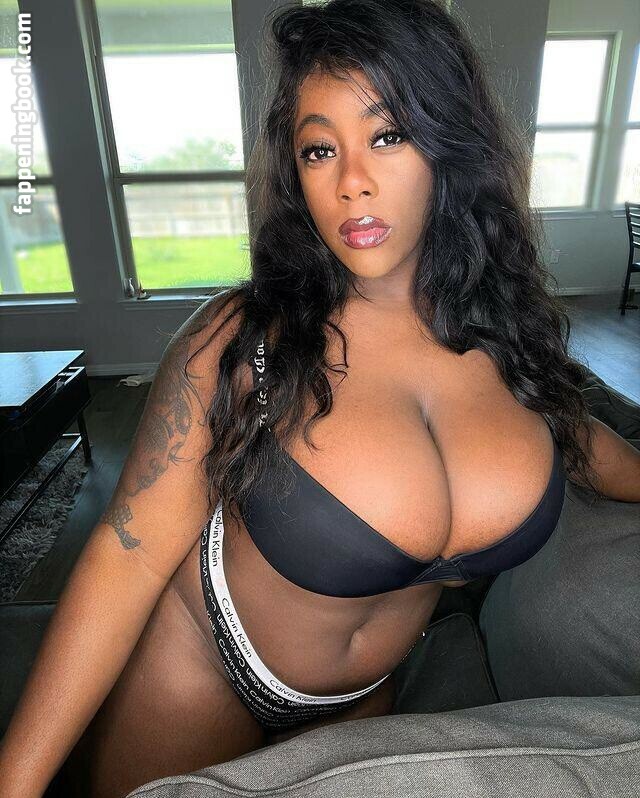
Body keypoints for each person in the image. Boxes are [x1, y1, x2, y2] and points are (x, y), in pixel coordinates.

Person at [2, 0, 639, 796]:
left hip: (365, 700)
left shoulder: (513, 349)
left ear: (448, 143)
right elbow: (124, 557)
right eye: (319, 149)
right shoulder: (241, 342)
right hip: (202, 667)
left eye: (388, 135)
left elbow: (590, 450)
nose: (352, 183)